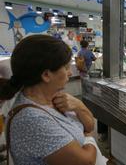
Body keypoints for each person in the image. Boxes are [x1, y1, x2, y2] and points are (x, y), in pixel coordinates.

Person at [0, 35, 98, 165]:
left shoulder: (55, 97)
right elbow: (87, 161)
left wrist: (79, 105)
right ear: (46, 75)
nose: (70, 73)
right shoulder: (32, 119)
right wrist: (89, 138)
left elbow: (89, 125)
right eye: (66, 67)